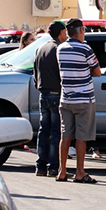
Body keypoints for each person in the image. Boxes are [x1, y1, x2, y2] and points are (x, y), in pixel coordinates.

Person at [56, 18, 101, 183]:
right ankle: (80, 172)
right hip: (84, 98)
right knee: (81, 137)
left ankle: (62, 171)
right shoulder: (85, 49)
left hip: (66, 98)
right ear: (81, 31)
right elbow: (97, 72)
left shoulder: (60, 49)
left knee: (65, 135)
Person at [33, 20, 67, 177]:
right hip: (55, 93)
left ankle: (40, 166)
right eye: (65, 32)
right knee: (55, 132)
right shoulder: (58, 49)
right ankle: (53, 166)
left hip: (43, 94)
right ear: (60, 33)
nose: (66, 35)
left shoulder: (41, 48)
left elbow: (35, 73)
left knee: (43, 130)